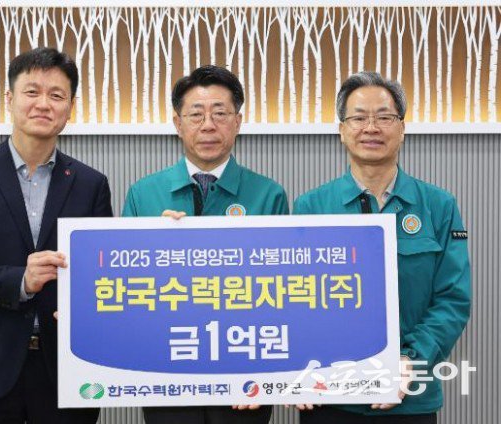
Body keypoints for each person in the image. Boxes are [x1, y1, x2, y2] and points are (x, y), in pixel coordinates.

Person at [0, 47, 112, 423]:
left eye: (56, 95)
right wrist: (21, 281)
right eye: (32, 92)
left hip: (66, 367)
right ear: (10, 99)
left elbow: (102, 274)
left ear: (70, 107)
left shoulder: (91, 183)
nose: (43, 104)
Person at [292, 72, 471, 423]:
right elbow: (293, 299)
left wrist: (411, 361)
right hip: (329, 396)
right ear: (342, 130)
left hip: (409, 396)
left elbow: (453, 298)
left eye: (384, 117)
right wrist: (299, 366)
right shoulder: (311, 206)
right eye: (359, 118)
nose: (371, 128)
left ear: (402, 128)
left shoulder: (439, 205)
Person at [123, 65, 288, 424]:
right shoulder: (143, 193)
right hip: (166, 372)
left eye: (220, 114)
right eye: (196, 114)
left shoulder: (269, 194)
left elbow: (284, 295)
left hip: (244, 376)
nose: (208, 125)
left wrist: (268, 373)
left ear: (238, 122)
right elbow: (123, 287)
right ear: (177, 123)